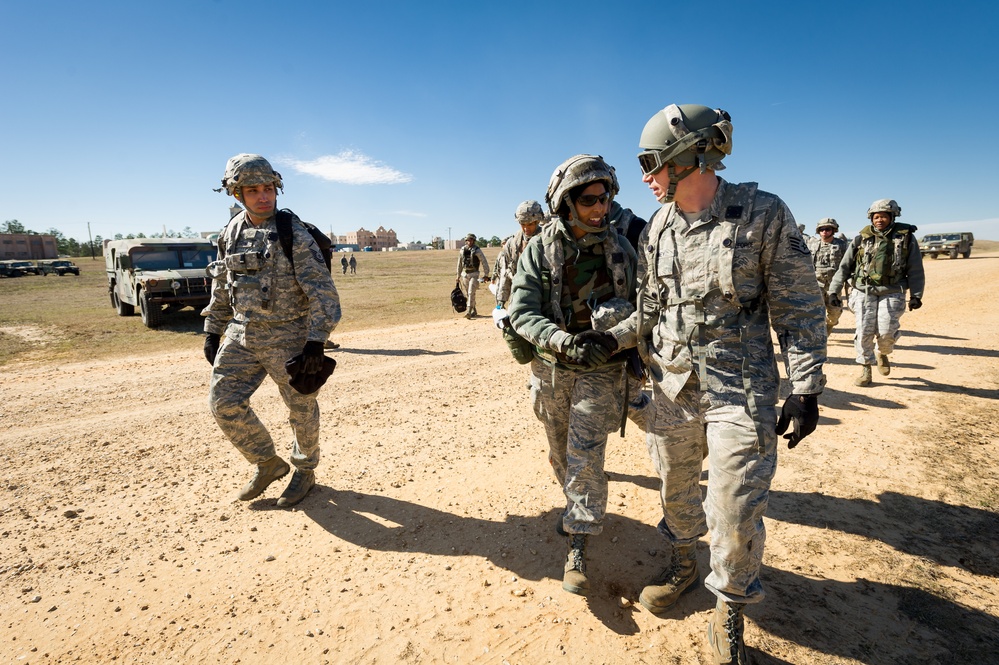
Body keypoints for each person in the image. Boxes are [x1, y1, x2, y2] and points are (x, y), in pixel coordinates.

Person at [599, 105, 826, 664]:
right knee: (676, 488)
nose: (646, 178)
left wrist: (805, 386)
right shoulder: (657, 227)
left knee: (734, 510)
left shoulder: (763, 214)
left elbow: (799, 306)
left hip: (740, 392)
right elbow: (650, 305)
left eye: (652, 163)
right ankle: (682, 562)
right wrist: (619, 343)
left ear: (688, 155)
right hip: (672, 389)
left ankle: (729, 610)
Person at [508, 154, 638, 597]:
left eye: (604, 199)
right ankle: (574, 504)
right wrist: (563, 342)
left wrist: (615, 340)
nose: (599, 208)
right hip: (552, 366)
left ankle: (579, 541)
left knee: (585, 451)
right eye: (589, 201)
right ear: (566, 203)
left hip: (602, 367)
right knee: (559, 446)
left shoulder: (622, 248)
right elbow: (521, 313)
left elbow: (648, 309)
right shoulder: (540, 250)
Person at [203, 154, 341, 507]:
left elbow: (322, 291)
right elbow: (222, 284)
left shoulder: (291, 231)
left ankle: (304, 469)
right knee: (223, 403)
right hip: (242, 333)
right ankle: (267, 464)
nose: (263, 196)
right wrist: (213, 329)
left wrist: (315, 342)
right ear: (236, 193)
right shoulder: (230, 232)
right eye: (253, 190)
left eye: (268, 188)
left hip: (290, 336)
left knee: (301, 409)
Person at [828, 199, 924, 387]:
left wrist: (916, 295)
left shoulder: (905, 238)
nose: (879, 220)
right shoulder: (860, 238)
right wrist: (834, 291)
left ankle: (883, 353)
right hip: (863, 290)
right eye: (876, 216)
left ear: (892, 217)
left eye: (884, 216)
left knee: (887, 331)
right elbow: (844, 267)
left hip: (893, 290)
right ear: (871, 218)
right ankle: (865, 368)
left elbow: (916, 268)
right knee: (864, 329)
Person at [494, 200, 545, 310]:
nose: (526, 228)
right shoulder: (512, 244)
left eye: (530, 224)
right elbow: (506, 272)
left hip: (543, 298)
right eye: (523, 224)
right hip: (518, 296)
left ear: (537, 221)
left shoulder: (547, 241)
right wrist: (501, 301)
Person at [806, 218, 850, 335]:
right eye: (822, 229)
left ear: (833, 230)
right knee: (814, 311)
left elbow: (848, 264)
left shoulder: (842, 245)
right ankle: (818, 335)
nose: (824, 231)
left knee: (834, 313)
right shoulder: (812, 244)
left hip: (834, 285)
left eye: (828, 229)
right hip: (816, 283)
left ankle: (829, 324)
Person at [456, 233, 489, 318]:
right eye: (468, 240)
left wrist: (486, 274)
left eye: (471, 240)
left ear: (474, 241)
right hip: (465, 274)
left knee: (471, 292)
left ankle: (469, 311)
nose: (469, 242)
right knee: (468, 293)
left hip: (474, 274)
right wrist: (458, 275)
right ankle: (474, 309)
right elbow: (459, 263)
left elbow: (483, 261)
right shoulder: (462, 250)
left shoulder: (477, 250)